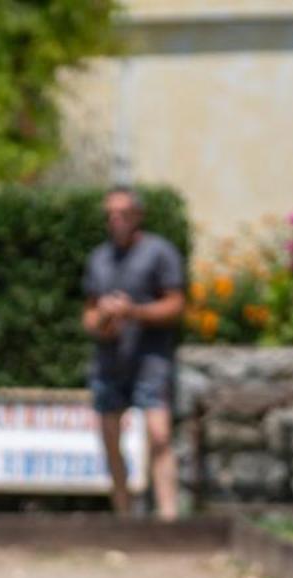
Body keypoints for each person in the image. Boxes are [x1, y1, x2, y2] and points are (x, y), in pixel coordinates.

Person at [84, 187, 186, 519]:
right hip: (109, 360)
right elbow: (87, 315)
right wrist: (103, 319)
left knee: (159, 435)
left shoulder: (160, 252)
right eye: (110, 214)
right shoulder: (99, 257)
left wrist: (134, 312)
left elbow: (176, 304)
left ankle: (168, 517)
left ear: (138, 216)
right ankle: (123, 517)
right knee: (110, 440)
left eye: (123, 213)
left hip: (150, 358)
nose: (116, 220)